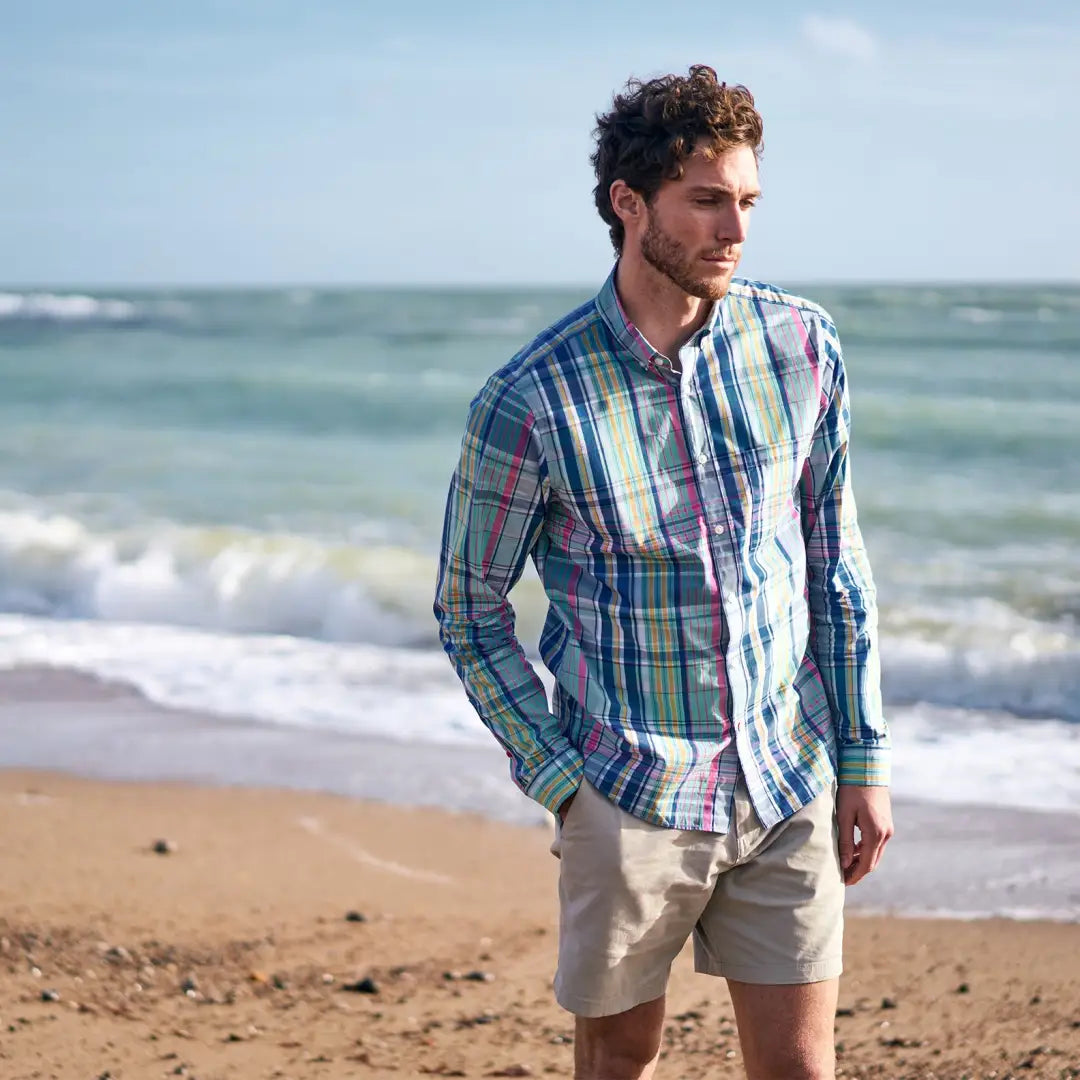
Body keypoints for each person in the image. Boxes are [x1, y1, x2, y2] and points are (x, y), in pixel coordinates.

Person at [433, 64, 893, 1080]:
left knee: (801, 1068)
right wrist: (561, 780)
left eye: (747, 202)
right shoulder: (529, 401)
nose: (735, 230)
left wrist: (861, 756)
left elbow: (835, 562)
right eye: (708, 201)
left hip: (788, 771)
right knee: (621, 1062)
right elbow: (469, 609)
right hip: (629, 788)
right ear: (628, 204)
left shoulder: (802, 345)